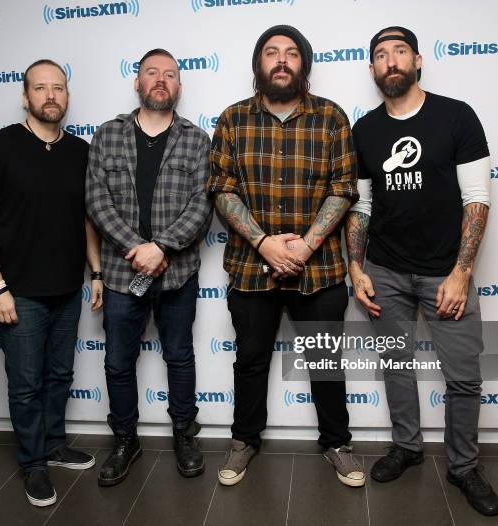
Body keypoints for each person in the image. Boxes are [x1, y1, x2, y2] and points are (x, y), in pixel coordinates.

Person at [346, 26, 498, 516]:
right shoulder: (365, 130)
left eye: (399, 52)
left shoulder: (457, 116)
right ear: (371, 69)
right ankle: (407, 448)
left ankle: (463, 467)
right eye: (380, 55)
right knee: (396, 366)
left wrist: (461, 272)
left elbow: (477, 200)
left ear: (417, 60)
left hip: (445, 271)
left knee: (463, 378)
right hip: (384, 271)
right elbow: (362, 208)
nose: (390, 61)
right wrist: (355, 265)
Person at [208, 25, 364, 487]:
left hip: (320, 270)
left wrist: (306, 245)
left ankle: (337, 442)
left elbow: (344, 188)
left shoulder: (332, 118)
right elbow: (221, 189)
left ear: (304, 65)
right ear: (258, 65)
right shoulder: (234, 119)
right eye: (271, 53)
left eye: (291, 53)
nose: (281, 60)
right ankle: (244, 440)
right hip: (252, 269)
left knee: (325, 362)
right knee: (250, 360)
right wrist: (264, 243)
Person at [0, 59, 103, 507]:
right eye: (40, 88)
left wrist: (97, 272)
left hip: (66, 290)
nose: (50, 95)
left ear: (67, 96)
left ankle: (54, 445)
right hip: (17, 292)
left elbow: (86, 221)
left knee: (59, 375)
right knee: (25, 383)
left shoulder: (80, 151)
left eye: (58, 88)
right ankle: (34, 465)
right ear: (25, 96)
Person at [86, 49, 212, 486]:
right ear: (136, 82)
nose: (161, 80)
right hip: (122, 275)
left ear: (179, 86)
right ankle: (125, 440)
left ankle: (183, 433)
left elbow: (202, 205)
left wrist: (162, 247)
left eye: (171, 75)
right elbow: (97, 201)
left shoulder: (197, 140)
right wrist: (137, 247)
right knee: (120, 362)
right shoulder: (107, 134)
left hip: (177, 272)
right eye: (151, 73)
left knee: (179, 357)